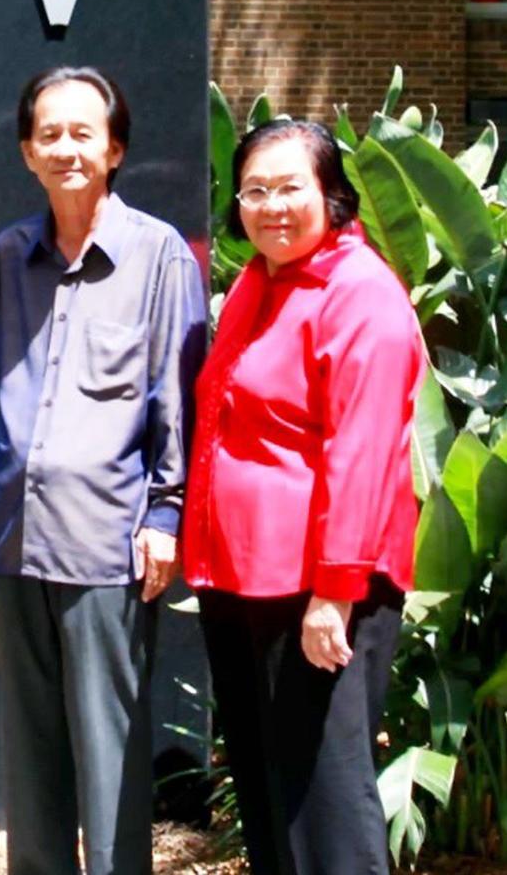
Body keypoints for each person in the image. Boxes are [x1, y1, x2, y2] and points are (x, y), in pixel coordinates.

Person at [181, 119, 425, 875]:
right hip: (245, 579)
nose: (271, 206)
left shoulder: (361, 297)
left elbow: (364, 454)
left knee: (324, 797)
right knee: (268, 784)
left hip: (318, 587)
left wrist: (334, 593)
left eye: (292, 188)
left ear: (334, 197)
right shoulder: (262, 279)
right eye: (255, 190)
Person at [0, 66, 208, 875]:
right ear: (26, 152)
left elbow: (177, 399)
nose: (66, 149)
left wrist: (164, 515)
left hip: (107, 545)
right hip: (17, 541)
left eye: (84, 133)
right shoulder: (10, 254)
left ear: (114, 149)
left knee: (109, 759)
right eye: (50, 134)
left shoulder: (159, 259)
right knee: (30, 757)